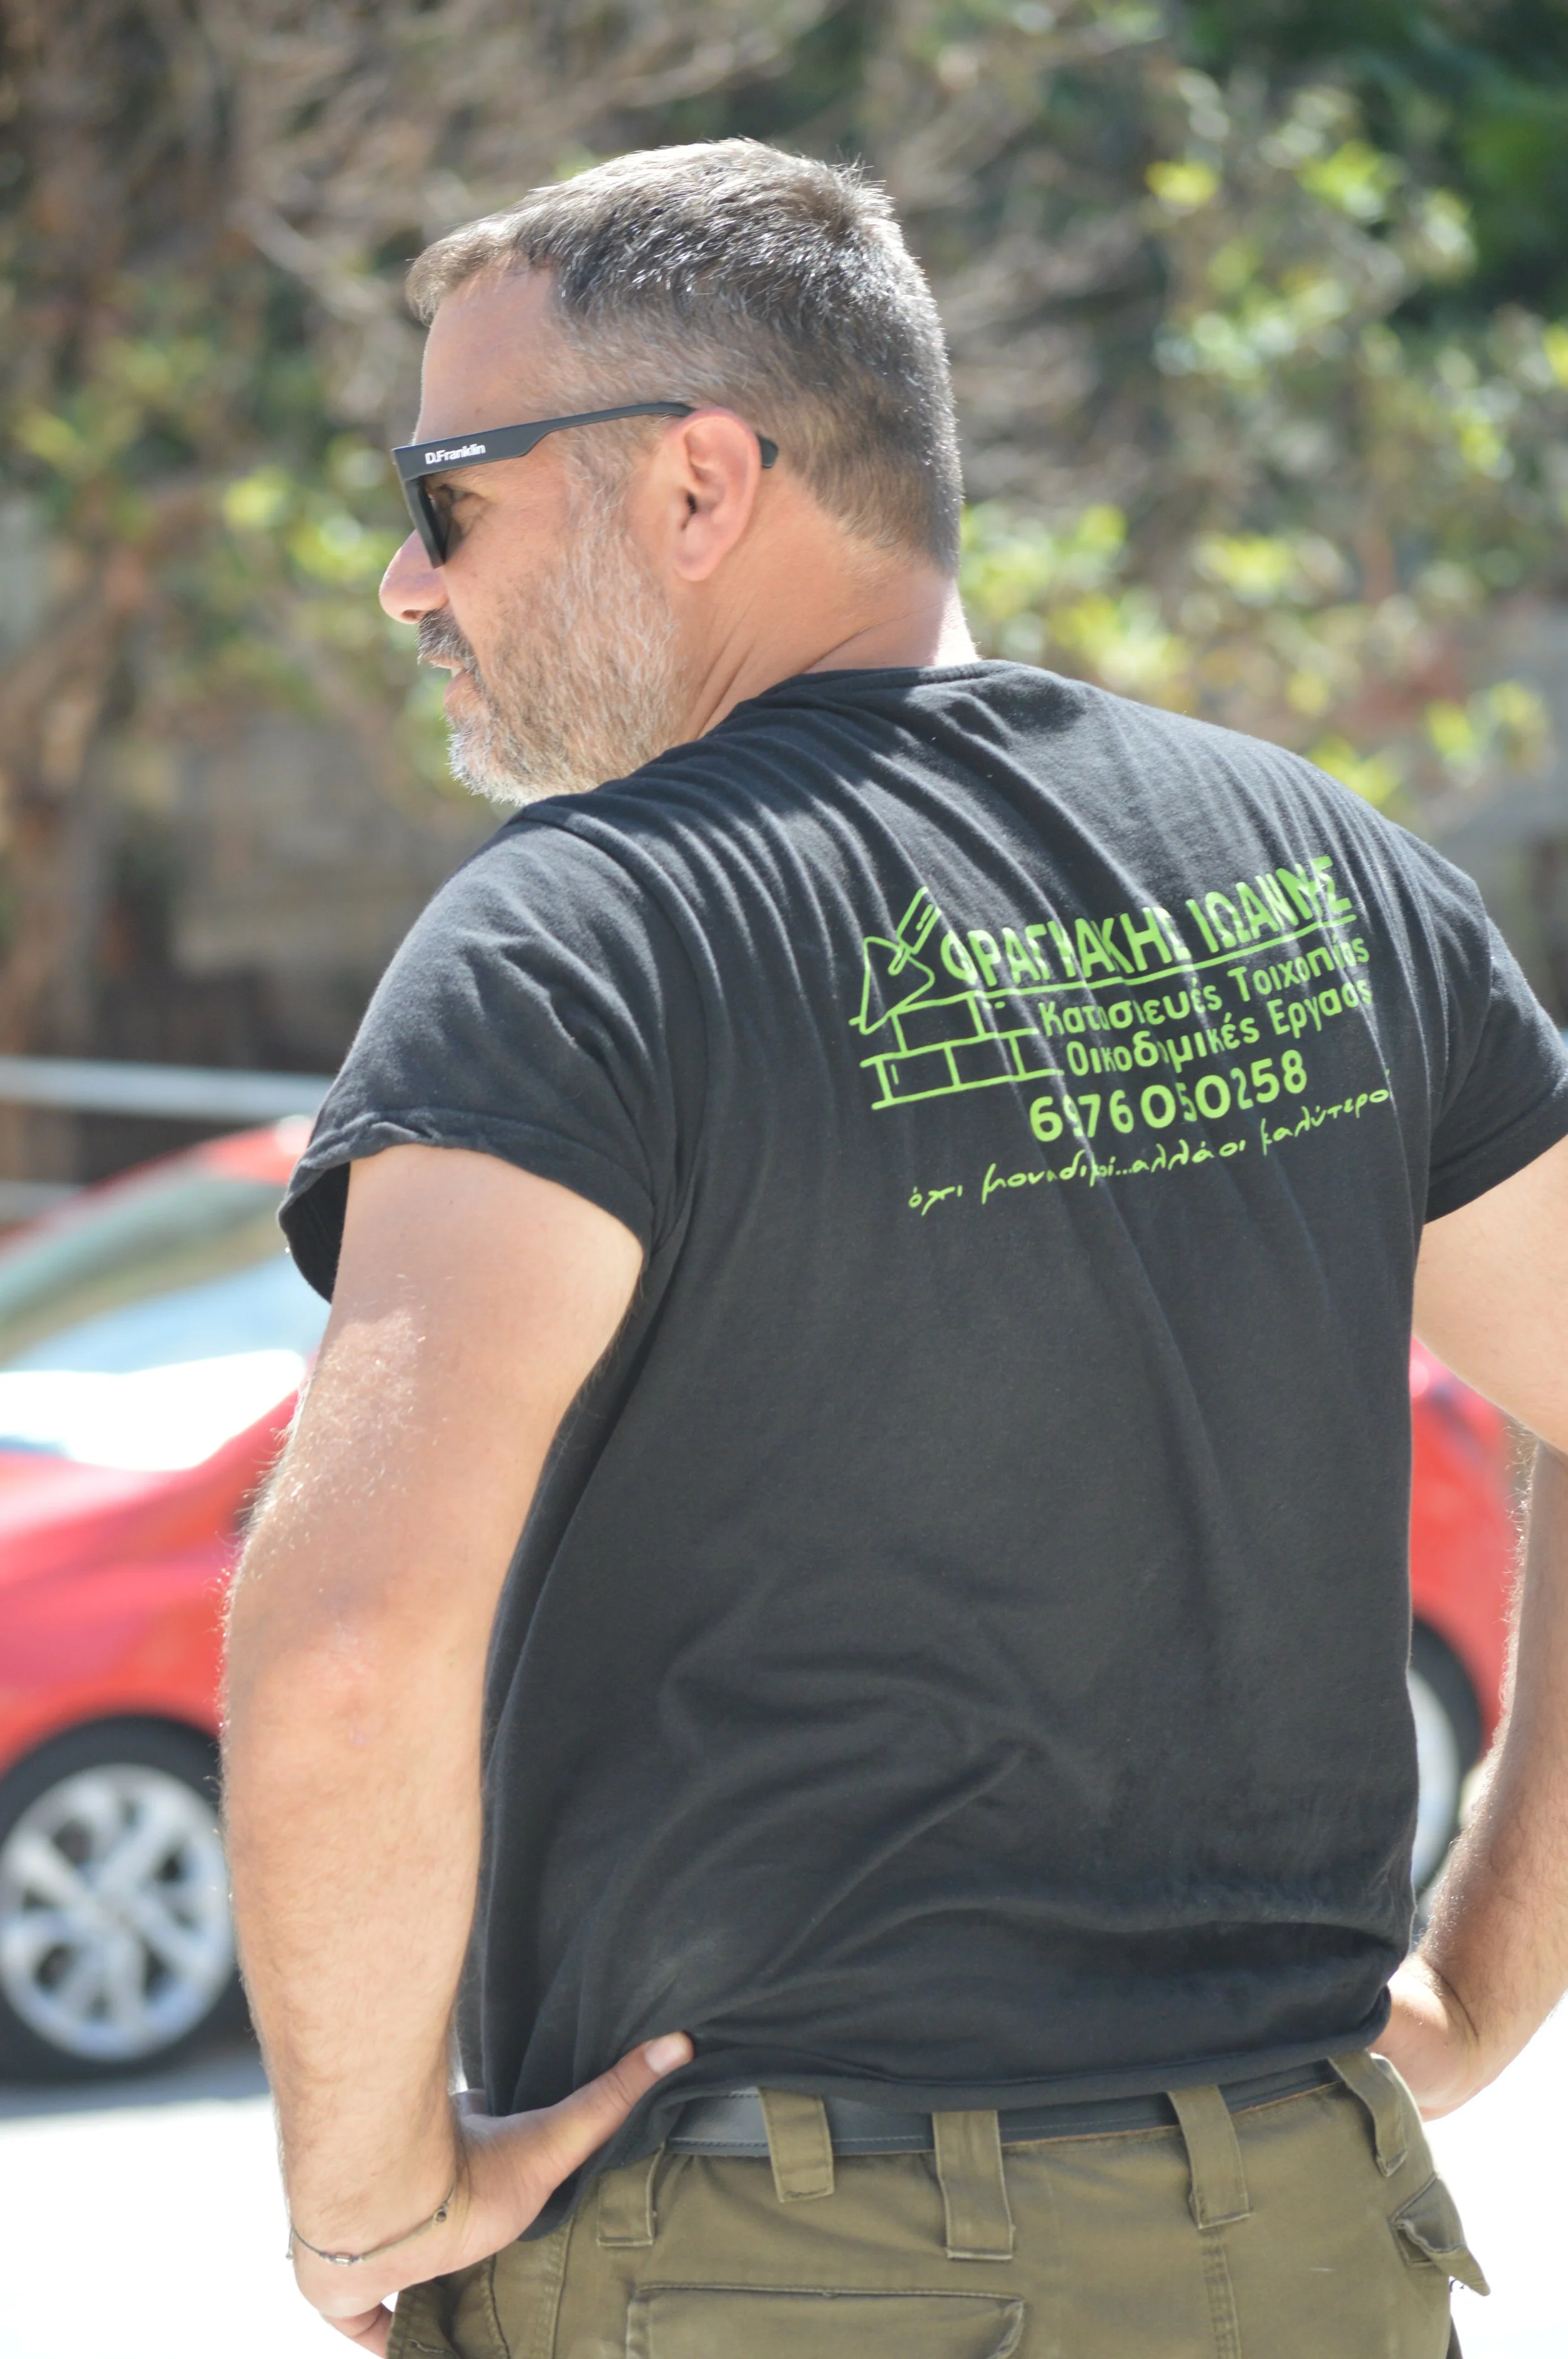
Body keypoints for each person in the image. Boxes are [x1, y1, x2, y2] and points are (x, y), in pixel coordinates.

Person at [223, 139, 1568, 2359]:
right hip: (1300, 2255)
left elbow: (350, 1654)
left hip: (758, 2273)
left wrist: (366, 2201)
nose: (402, 577)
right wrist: (1482, 1990)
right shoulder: (1331, 871)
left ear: (695, 482)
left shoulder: (579, 941)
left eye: (446, 490)